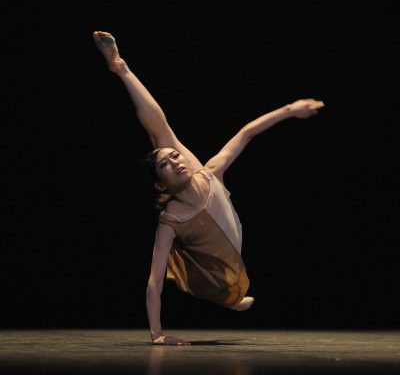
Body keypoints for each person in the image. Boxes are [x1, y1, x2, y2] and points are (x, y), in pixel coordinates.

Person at [93, 30, 324, 346]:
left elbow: (246, 133)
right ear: (160, 184)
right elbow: (154, 281)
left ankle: (121, 68)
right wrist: (157, 335)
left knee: (163, 137)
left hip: (224, 247)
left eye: (176, 157)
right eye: (166, 165)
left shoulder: (210, 173)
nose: (176, 161)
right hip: (206, 273)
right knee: (227, 291)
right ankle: (232, 301)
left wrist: (290, 109)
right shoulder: (171, 220)